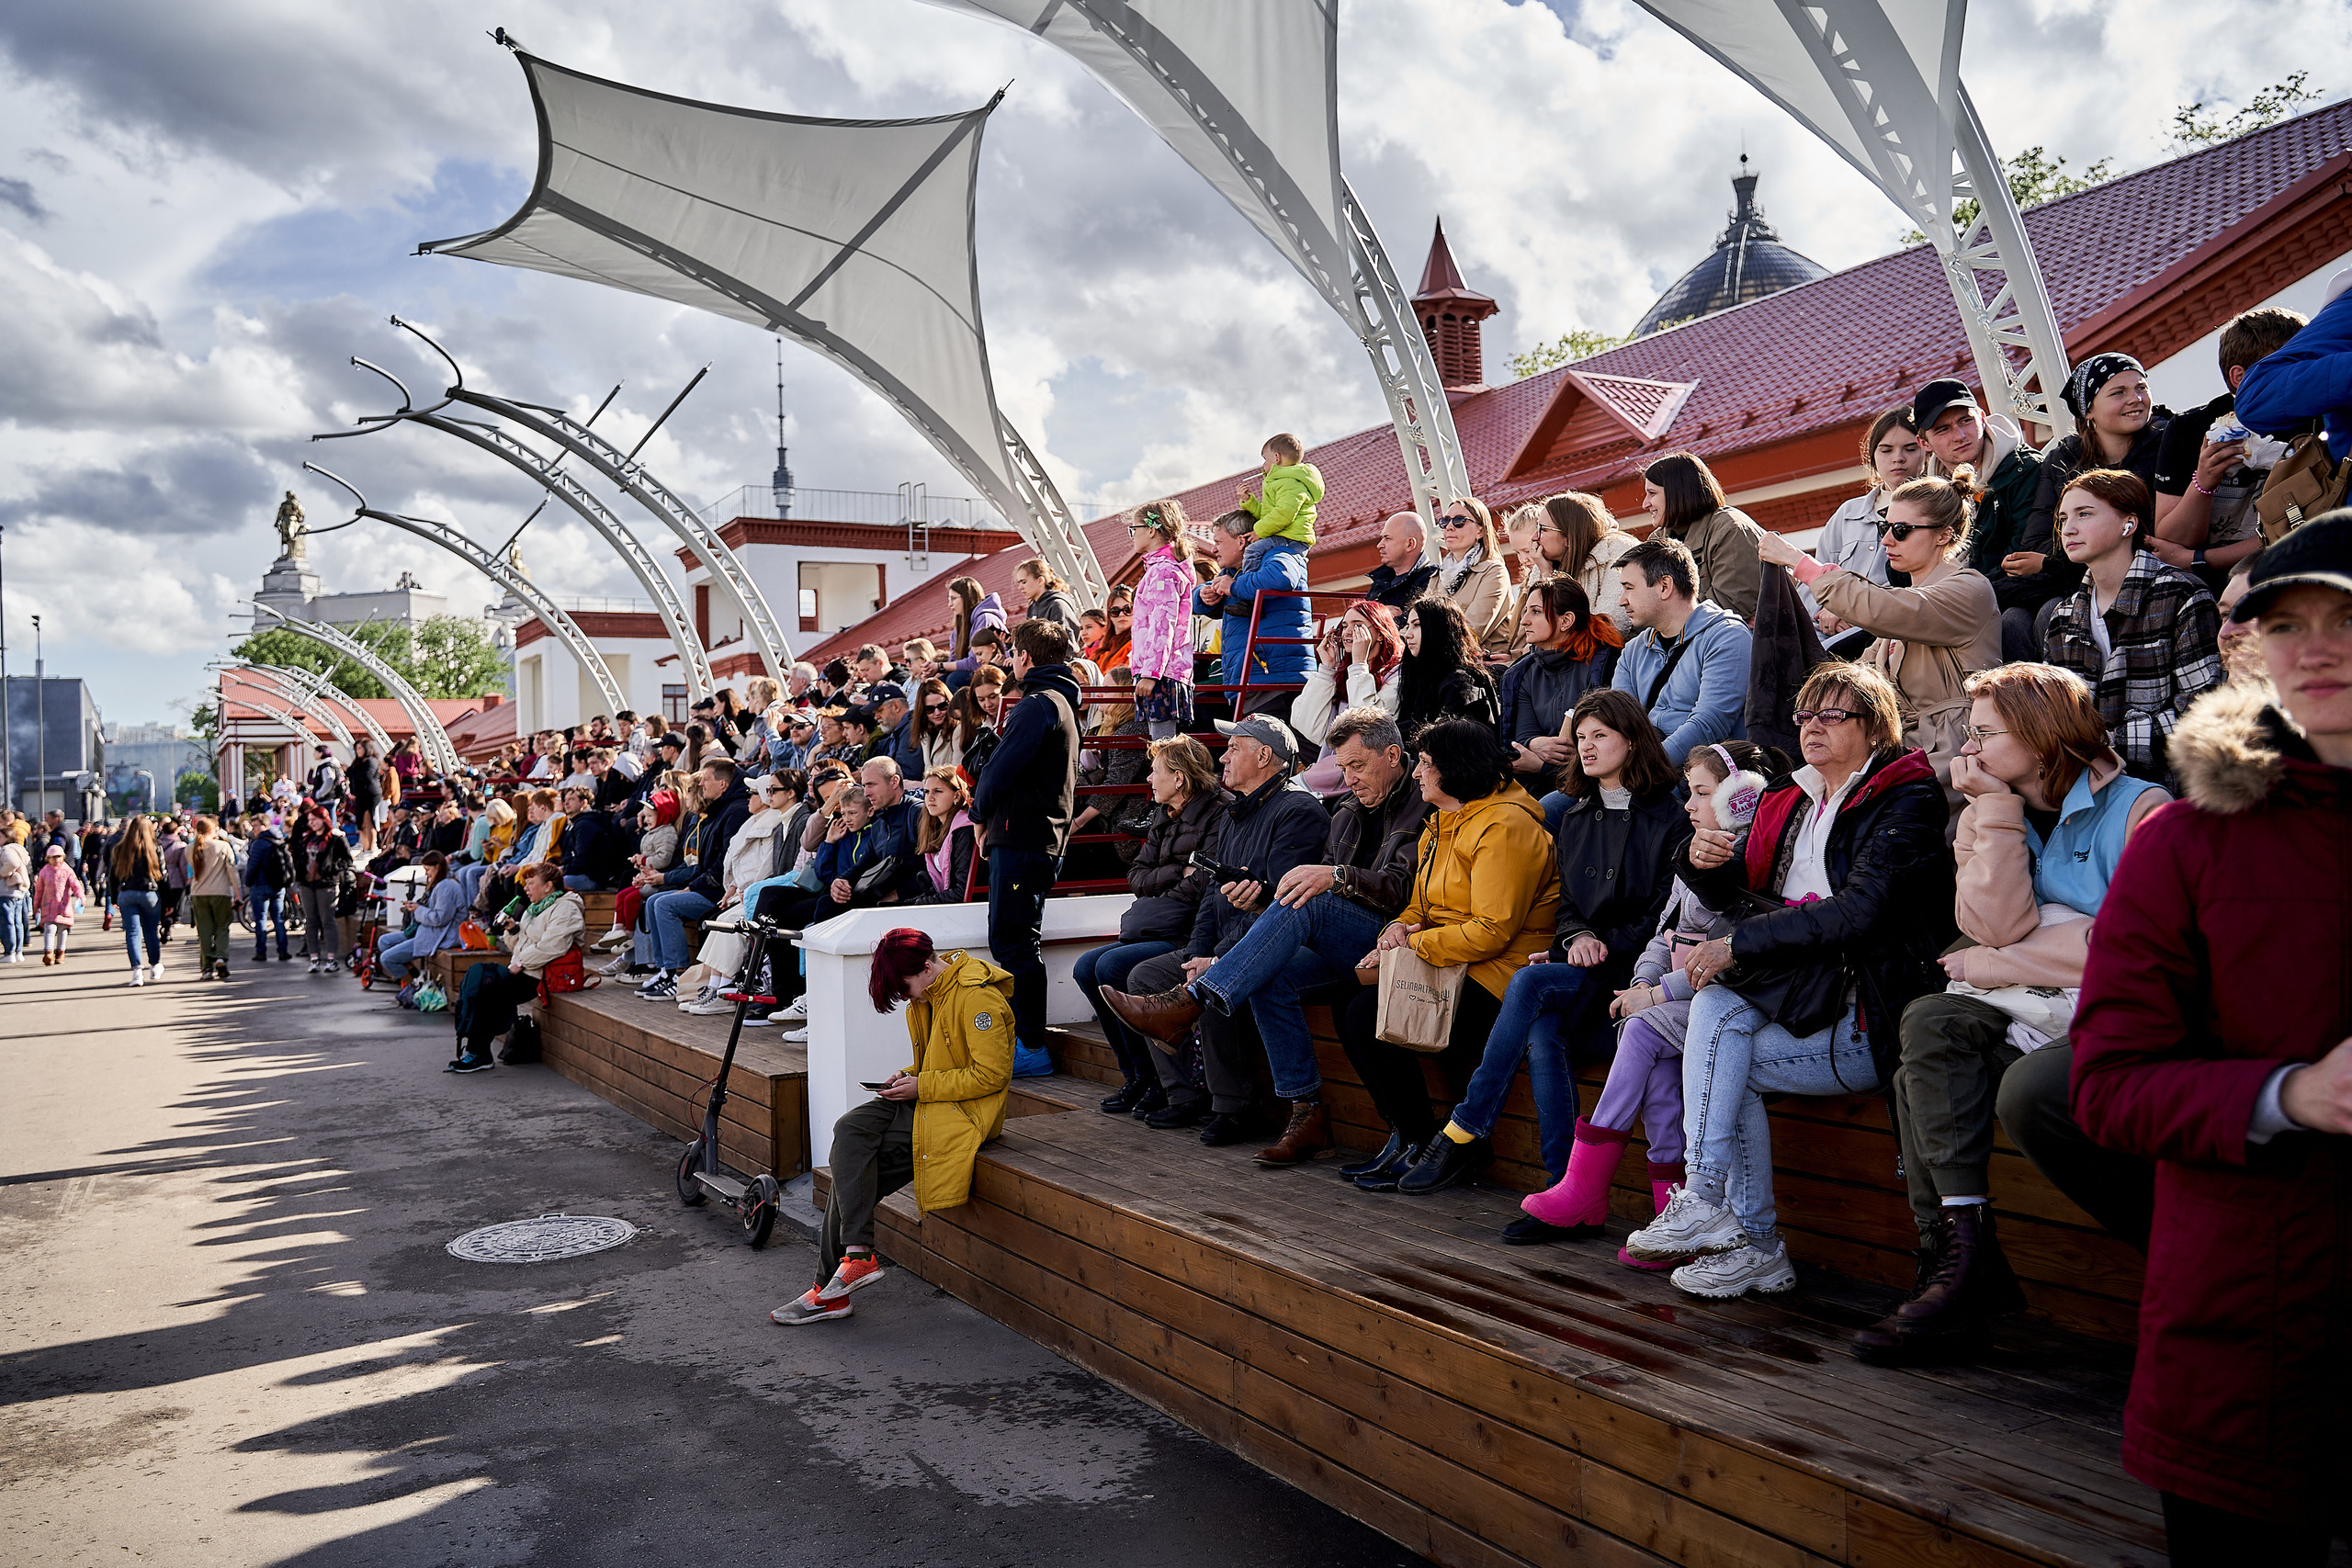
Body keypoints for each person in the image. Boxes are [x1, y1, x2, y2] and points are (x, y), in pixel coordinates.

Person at [2070, 512, 2352, 1565]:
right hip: (2247, 1334)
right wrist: (2291, 1094)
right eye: (2288, 623)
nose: (2315, 647)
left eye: (2345, 617)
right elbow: (2107, 1085)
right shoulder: (2185, 844)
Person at [1849, 662, 2169, 1367]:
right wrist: (1992, 812)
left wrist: (1997, 961)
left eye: (1985, 732)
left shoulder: (2142, 810)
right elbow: (1993, 923)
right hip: (2032, 1011)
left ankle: (1957, 1274)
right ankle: (1961, 1262)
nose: (1968, 747)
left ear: (2039, 732)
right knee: (1928, 1026)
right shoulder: (1986, 806)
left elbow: (2125, 947)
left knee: (1920, 1074)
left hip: (2117, 1018)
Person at [1629, 662, 1951, 1299]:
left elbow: (1861, 911)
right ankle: (1738, 1231)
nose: (1813, 727)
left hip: (1863, 1007)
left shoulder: (1905, 796)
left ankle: (1735, 1225)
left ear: (1875, 726)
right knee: (1722, 1034)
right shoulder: (1789, 796)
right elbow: (1742, 899)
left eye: (1833, 715)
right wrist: (1699, 861)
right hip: (1793, 994)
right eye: (1806, 715)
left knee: (1721, 1027)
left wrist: (1733, 944)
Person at [1402, 690, 1689, 1207]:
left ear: (1633, 739)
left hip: (1636, 965)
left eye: (1600, 735)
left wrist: (1599, 943)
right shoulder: (1574, 815)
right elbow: (1568, 902)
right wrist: (1576, 937)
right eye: (1580, 737)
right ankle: (1564, 1182)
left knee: (1530, 982)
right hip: (1583, 960)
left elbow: (1666, 910)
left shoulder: (1669, 816)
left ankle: (1465, 1127)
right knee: (1541, 1032)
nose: (1587, 746)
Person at [1103, 708, 1430, 1162]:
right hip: (1339, 944)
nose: (1349, 779)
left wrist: (1335, 877)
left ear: (1394, 755)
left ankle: (1192, 1001)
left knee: (1307, 894)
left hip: (1394, 938)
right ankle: (1307, 1112)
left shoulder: (1424, 803)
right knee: (1269, 975)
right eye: (1344, 767)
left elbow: (1402, 890)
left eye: (1357, 766)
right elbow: (1212, 899)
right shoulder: (1345, 813)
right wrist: (1210, 948)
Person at [1519, 739, 1770, 1259]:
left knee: (1641, 1029)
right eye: (1690, 793)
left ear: (1738, 800)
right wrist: (1642, 983)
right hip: (1679, 998)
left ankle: (1585, 1187)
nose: (1689, 806)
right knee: (1654, 1067)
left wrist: (1655, 995)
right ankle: (1667, 1214)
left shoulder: (1748, 859)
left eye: (1702, 794)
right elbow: (1665, 933)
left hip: (1727, 999)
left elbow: (1725, 961)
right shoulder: (1694, 851)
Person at [1337, 719, 1558, 1191]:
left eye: (1425, 763)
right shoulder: (1440, 822)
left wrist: (1414, 944)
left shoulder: (1507, 825)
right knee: (1350, 1006)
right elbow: (1420, 904)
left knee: (1365, 1016)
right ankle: (1410, 1136)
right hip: (1454, 964)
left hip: (1503, 978)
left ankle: (1438, 1143)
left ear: (1454, 768)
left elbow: (1492, 932)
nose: (1417, 774)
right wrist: (1396, 927)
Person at [1100, 714, 1330, 1140]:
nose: (1223, 756)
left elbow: (1279, 909)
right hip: (1224, 942)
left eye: (1234, 748)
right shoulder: (1234, 814)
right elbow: (1211, 895)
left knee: (1212, 978)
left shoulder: (1298, 811)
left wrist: (1216, 955)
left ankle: (1234, 1107)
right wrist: (1195, 953)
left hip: (1266, 945)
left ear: (1264, 756)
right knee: (1146, 974)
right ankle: (1183, 1096)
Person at [771, 930, 1013, 1326]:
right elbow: (945, 1059)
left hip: (966, 1114)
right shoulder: (930, 994)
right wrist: (910, 1076)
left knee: (851, 1177)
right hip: (933, 1099)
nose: (905, 997)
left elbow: (992, 1076)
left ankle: (833, 1287)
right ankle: (857, 1257)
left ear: (926, 967)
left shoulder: (977, 998)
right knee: (849, 1129)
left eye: (904, 987)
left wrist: (923, 1085)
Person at [1761, 469, 2001, 793]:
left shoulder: (1969, 589)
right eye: (1884, 527)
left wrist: (1798, 562)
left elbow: (1882, 607)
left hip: (1955, 756)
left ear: (1944, 535)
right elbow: (1863, 675)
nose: (1887, 540)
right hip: (1906, 750)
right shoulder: (1903, 604)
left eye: (1901, 530)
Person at [1074, 736, 1225, 1115]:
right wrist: (1175, 873)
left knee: (1112, 967)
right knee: (1084, 967)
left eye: (1155, 772)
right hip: (1153, 925)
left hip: (1186, 933)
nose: (1149, 781)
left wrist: (1166, 884)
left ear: (1179, 778)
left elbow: (1204, 882)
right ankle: (1138, 1076)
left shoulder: (1219, 812)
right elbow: (1136, 875)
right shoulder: (1163, 813)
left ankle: (1159, 1082)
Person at [2041, 469, 2223, 784]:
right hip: (2090, 786)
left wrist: (2100, 747)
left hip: (2176, 786)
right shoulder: (2063, 617)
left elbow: (2204, 714)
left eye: (2084, 514)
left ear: (2129, 523)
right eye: (2062, 519)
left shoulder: (2181, 594)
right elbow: (2055, 718)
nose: (2068, 529)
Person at [970, 618, 1085, 1074]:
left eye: (1013, 652)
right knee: (1016, 940)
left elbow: (1000, 770)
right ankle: (1027, 1045)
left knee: (1014, 943)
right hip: (1035, 839)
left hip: (1023, 840)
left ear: (1025, 657)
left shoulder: (1038, 704)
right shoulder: (1057, 702)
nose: (1009, 660)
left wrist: (979, 813)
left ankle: (1031, 1048)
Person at [2152, 307, 2308, 592]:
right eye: (2290, 363)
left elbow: (2306, 528)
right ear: (2240, 377)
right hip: (2212, 590)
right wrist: (2204, 483)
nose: (2304, 374)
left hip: (2295, 572)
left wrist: (2201, 560)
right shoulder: (2190, 428)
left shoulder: (2317, 418)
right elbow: (2170, 542)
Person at [2017, 354, 2169, 623]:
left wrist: (2055, 561)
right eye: (2118, 392)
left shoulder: (2169, 443)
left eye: (2141, 388)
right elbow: (2038, 541)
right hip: (2076, 581)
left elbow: (2158, 533)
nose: (2136, 399)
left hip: (2153, 573)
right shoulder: (2062, 460)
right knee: (2020, 618)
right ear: (2088, 410)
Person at [1912, 378, 2049, 660]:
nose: (1960, 435)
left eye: (1966, 420)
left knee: (2011, 625)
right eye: (1943, 429)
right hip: (1945, 604)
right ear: (1923, 442)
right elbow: (1905, 565)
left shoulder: (2026, 471)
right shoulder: (1923, 495)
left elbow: (2020, 562)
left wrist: (1953, 600)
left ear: (1982, 418)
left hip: (2009, 602)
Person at [1611, 536, 1752, 765]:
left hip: (1696, 778)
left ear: (1665, 586)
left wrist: (1646, 768)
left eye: (1629, 588)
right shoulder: (1633, 650)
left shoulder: (1727, 636)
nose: (1621, 600)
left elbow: (1709, 724)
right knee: (1547, 803)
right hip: (1637, 769)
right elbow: (1617, 722)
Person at [1799, 409, 1928, 657]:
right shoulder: (1848, 514)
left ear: (1925, 449)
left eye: (1910, 449)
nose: (1898, 458)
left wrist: (1849, 610)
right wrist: (1826, 611)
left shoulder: (1935, 511)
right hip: (1825, 627)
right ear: (1872, 455)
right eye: (1886, 449)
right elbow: (1814, 575)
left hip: (1885, 633)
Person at [635, 757, 752, 1000]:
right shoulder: (716, 811)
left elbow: (723, 865)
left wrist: (690, 887)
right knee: (654, 901)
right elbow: (702, 863)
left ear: (722, 784)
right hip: (705, 886)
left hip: (718, 892)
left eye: (706, 780)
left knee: (664, 903)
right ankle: (665, 970)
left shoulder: (735, 811)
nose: (701, 785)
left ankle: (677, 971)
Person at [449, 862, 583, 1073]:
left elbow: (553, 946)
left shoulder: (567, 907)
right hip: (528, 968)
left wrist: (521, 963)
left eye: (531, 883)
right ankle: (478, 1050)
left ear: (548, 886)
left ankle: (479, 1053)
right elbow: (519, 945)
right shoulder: (535, 908)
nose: (526, 888)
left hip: (545, 973)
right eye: (526, 884)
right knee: (479, 982)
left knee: (490, 994)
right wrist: (512, 930)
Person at [1500, 579, 1623, 793]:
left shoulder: (1604, 664)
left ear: (1566, 620)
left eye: (1536, 612)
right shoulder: (1522, 673)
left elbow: (1599, 747)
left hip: (1594, 786)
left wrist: (1541, 766)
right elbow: (1521, 738)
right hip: (1537, 785)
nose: (1524, 621)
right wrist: (1533, 743)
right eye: (1526, 611)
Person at [1195, 507, 1311, 720]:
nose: (1214, 549)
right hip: (1256, 679)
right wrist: (1202, 595)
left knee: (1280, 750)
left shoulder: (1278, 554)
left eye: (1219, 542)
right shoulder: (1233, 572)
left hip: (1275, 679)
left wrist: (1234, 587)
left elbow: (1282, 578)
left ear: (1241, 542)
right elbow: (1204, 596)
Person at [1642, 452, 1765, 624]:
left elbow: (1726, 609)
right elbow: (1645, 607)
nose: (1645, 504)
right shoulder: (1657, 540)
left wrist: (1665, 620)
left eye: (1652, 493)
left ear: (1678, 492)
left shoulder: (1730, 530)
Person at [1125, 500, 1201, 739]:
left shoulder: (1162, 571)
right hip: (1162, 671)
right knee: (1161, 742)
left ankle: (1169, 777)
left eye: (1134, 529)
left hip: (1161, 674)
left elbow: (1162, 626)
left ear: (1151, 530)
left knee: (1163, 743)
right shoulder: (1160, 568)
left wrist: (1150, 673)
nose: (1132, 535)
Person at [1293, 600, 1404, 752]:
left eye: (1357, 625)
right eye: (1344, 626)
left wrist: (1359, 664)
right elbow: (1308, 727)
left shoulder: (1397, 672)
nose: (1347, 632)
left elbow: (1370, 728)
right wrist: (1326, 669)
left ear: (1380, 633)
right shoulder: (1342, 672)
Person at [1394, 598, 1500, 741]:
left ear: (1439, 628)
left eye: (1417, 625)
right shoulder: (1419, 675)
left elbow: (1450, 741)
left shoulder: (1462, 682)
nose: (1407, 634)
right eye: (1408, 626)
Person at [1538, 491, 1640, 634]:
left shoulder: (1616, 552)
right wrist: (1545, 575)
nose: (1534, 537)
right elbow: (1533, 630)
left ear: (1569, 535)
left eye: (1542, 529)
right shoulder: (1543, 564)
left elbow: (1610, 626)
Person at [1431, 497, 1511, 660]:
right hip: (1441, 660)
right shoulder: (1438, 576)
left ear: (1480, 531)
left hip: (1485, 664)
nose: (1450, 527)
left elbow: (1472, 629)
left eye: (1459, 521)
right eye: (1445, 521)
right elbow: (1416, 624)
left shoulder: (1494, 571)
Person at [375, 852, 466, 987]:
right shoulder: (440, 884)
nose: (426, 874)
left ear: (438, 867)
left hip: (441, 935)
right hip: (429, 931)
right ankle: (415, 974)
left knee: (387, 959)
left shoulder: (446, 887)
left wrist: (418, 909)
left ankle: (416, 986)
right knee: (384, 941)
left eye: (428, 870)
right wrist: (416, 907)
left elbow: (439, 919)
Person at [899, 766, 978, 907]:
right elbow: (936, 889)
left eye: (938, 791)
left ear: (957, 796)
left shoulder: (965, 830)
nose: (930, 798)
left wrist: (919, 904)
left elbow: (962, 892)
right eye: (927, 792)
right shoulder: (937, 829)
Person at [294, 805, 352, 976]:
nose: (311, 823)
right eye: (309, 820)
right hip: (307, 884)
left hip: (326, 884)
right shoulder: (307, 838)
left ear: (323, 819)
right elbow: (299, 857)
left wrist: (333, 868)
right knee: (311, 922)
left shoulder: (335, 838)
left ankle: (331, 959)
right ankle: (314, 959)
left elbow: (347, 860)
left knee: (328, 921)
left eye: (314, 820)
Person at [1238, 431, 1321, 547]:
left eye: (1265, 459)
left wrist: (1259, 531)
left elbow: (1283, 514)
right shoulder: (1281, 482)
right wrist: (1248, 500)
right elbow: (1267, 514)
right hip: (1283, 535)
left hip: (1292, 538)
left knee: (1253, 551)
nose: (1263, 465)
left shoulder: (1290, 483)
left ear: (1277, 457)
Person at [111, 817, 164, 985]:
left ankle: (137, 971)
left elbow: (113, 876)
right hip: (150, 893)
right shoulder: (155, 848)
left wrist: (114, 898)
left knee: (133, 933)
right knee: (151, 931)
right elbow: (163, 875)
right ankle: (155, 965)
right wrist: (168, 901)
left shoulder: (120, 849)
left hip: (127, 893)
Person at [186, 817, 238, 982]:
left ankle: (206, 967)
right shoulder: (223, 846)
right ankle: (221, 957)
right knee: (222, 927)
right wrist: (238, 893)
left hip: (199, 893)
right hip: (221, 892)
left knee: (204, 931)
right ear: (213, 829)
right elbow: (232, 871)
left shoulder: (190, 848)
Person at [243, 817, 293, 963]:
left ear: (265, 825)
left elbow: (253, 865)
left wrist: (248, 882)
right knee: (279, 919)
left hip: (260, 885)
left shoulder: (259, 843)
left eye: (256, 826)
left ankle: (261, 952)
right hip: (278, 885)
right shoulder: (279, 839)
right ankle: (283, 951)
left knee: (261, 920)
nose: (254, 829)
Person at [945, 576, 1009, 674]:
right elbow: (953, 660)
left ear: (967, 598)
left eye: (953, 598)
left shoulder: (985, 618)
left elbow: (976, 662)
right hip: (980, 671)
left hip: (998, 669)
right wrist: (935, 670)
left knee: (955, 678)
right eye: (949, 599)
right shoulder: (959, 627)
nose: (950, 604)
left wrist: (939, 666)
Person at [35, 842, 84, 965]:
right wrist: (36, 906)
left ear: (63, 857)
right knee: (50, 929)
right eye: (53, 857)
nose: (57, 860)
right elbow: (39, 890)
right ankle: (48, 952)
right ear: (48, 859)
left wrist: (81, 897)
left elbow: (75, 885)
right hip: (48, 906)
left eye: (59, 857)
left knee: (62, 929)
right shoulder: (44, 872)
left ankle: (60, 951)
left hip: (63, 906)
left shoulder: (67, 870)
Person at [1012, 558, 1083, 642]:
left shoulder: (1058, 605)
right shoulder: (1032, 608)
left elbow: (1065, 644)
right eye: (1019, 583)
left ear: (1040, 581)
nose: (1020, 587)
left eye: (1024, 582)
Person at [348, 738, 384, 855]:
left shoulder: (372, 761)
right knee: (361, 822)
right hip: (360, 795)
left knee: (369, 820)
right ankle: (365, 846)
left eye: (360, 748)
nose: (358, 751)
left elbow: (367, 776)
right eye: (356, 749)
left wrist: (352, 771)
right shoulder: (357, 763)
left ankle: (371, 846)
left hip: (370, 794)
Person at [0, 831, 28, 964]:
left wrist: (2, 873)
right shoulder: (19, 849)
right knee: (17, 922)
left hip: (6, 890)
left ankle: (9, 952)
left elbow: (12, 863)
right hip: (18, 890)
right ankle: (18, 951)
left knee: (7, 922)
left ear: (7, 837)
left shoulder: (6, 849)